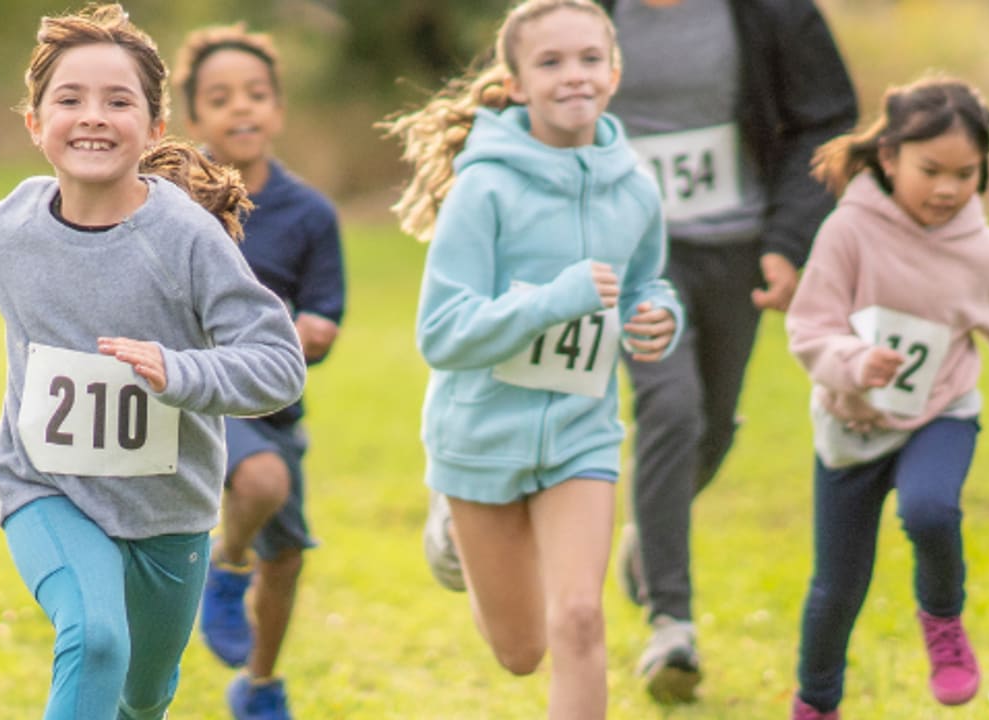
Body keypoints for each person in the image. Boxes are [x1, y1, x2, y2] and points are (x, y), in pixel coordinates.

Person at [0, 5, 306, 719]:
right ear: (34, 124)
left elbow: (277, 366)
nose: (93, 117)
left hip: (168, 512)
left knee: (144, 695)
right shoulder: (10, 230)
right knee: (98, 640)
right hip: (46, 489)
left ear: (156, 127)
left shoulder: (187, 241)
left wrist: (181, 373)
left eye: (118, 101)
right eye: (69, 99)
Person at [380, 2, 682, 717]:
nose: (572, 75)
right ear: (515, 84)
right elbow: (442, 333)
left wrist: (658, 315)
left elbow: (648, 280)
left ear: (613, 72)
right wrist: (555, 300)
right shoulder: (485, 189)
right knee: (522, 653)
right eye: (550, 63)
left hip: (582, 432)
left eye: (587, 59)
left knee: (580, 618)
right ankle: (452, 523)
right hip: (480, 438)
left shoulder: (635, 186)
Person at [591, 0, 860, 703]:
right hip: (632, 251)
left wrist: (788, 240)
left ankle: (652, 530)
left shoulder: (772, 9)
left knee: (709, 426)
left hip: (735, 246)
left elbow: (825, 117)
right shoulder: (588, 9)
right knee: (670, 406)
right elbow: (529, 78)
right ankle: (671, 624)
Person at [783, 76, 989, 720]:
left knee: (931, 510)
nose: (946, 189)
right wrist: (853, 361)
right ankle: (816, 705)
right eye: (930, 170)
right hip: (852, 423)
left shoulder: (980, 252)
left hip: (941, 410)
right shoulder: (848, 232)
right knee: (836, 590)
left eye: (965, 174)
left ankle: (943, 623)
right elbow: (809, 326)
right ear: (889, 158)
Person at [174, 22, 346, 720]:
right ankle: (225, 559)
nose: (240, 108)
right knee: (262, 481)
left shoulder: (310, 213)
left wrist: (312, 333)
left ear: (277, 108)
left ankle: (260, 684)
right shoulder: (171, 200)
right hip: (194, 398)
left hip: (272, 404)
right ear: (194, 118)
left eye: (255, 94)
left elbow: (326, 317)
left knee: (287, 559)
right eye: (220, 97)